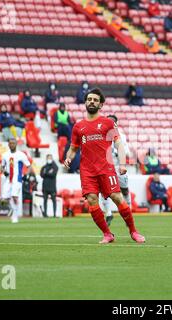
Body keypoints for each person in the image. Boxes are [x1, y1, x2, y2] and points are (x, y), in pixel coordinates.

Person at [64, 88, 145, 244]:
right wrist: (68, 158)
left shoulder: (108, 123)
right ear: (85, 102)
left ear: (100, 105)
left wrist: (122, 164)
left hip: (106, 168)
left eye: (95, 100)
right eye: (89, 99)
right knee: (92, 200)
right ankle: (107, 234)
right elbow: (73, 148)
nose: (91, 102)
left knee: (117, 197)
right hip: (87, 171)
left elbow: (119, 144)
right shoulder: (78, 127)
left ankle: (133, 231)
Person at [100, 115, 132, 226]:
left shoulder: (121, 136)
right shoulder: (101, 135)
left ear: (116, 124)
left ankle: (129, 211)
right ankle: (108, 213)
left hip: (119, 168)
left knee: (125, 191)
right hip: (106, 168)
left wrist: (120, 153)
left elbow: (127, 152)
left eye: (112, 122)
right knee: (104, 191)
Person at [0, 138, 32, 223]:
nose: (12, 145)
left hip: (17, 179)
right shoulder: (5, 155)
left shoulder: (21, 155)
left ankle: (15, 216)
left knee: (14, 196)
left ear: (16, 144)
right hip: (8, 179)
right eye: (10, 143)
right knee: (4, 200)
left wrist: (26, 175)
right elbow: (2, 167)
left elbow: (29, 166)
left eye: (13, 143)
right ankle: (13, 210)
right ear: (8, 144)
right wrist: (4, 172)